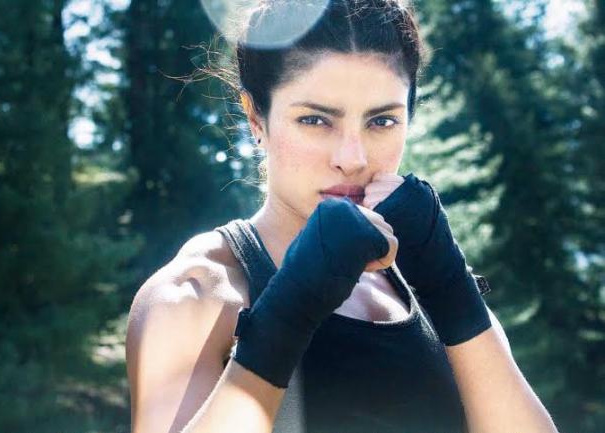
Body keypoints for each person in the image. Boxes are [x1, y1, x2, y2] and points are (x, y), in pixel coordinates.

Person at [126, 1, 559, 432]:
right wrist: (285, 316)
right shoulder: (197, 293)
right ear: (256, 117)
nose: (352, 159)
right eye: (315, 120)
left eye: (382, 121)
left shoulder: (430, 287)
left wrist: (453, 290)